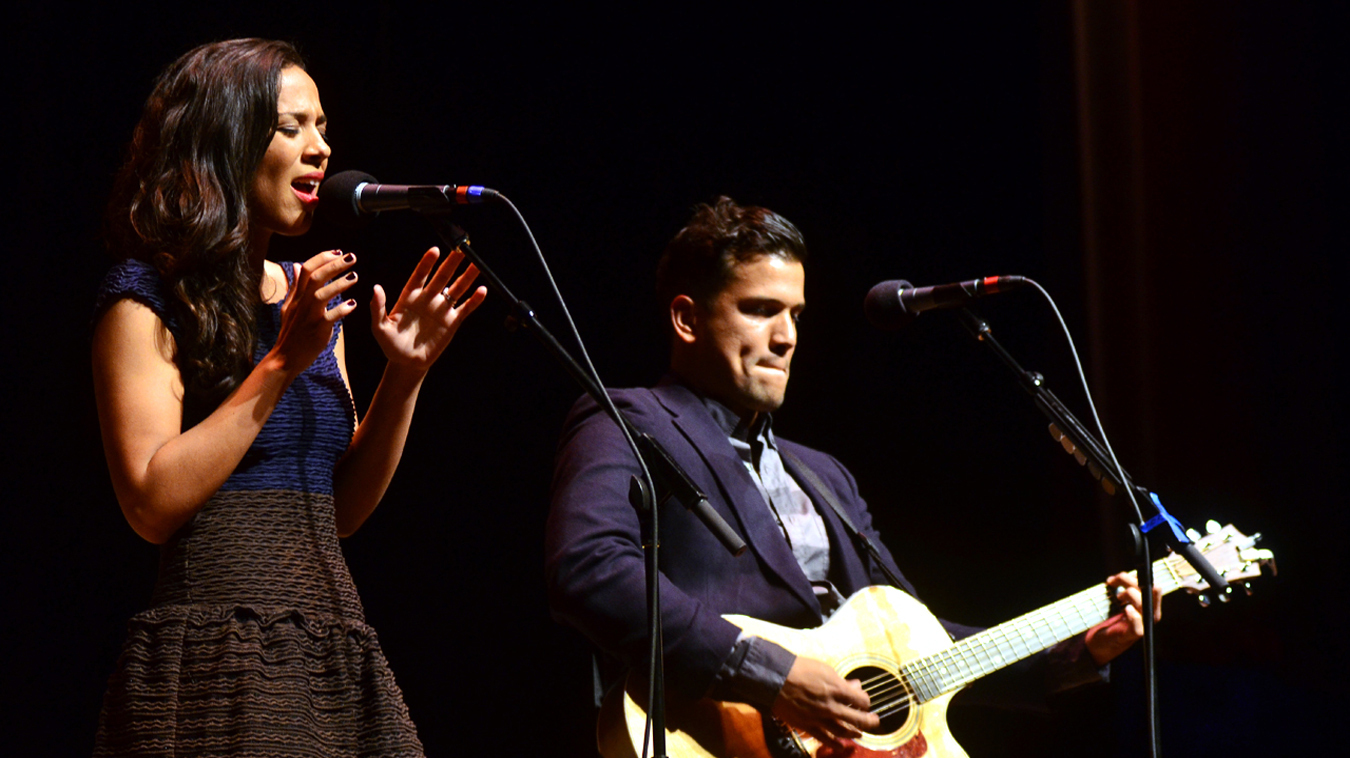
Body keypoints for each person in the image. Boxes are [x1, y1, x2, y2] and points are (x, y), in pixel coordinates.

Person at [545, 196, 1160, 750]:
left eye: (795, 314)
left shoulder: (824, 475)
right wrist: (770, 674)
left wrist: (1079, 647)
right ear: (687, 318)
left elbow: (917, 651)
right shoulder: (626, 420)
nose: (786, 337)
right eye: (760, 310)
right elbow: (589, 568)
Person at [91, 39, 486, 756]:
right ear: (226, 139)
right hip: (217, 658)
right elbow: (149, 502)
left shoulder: (305, 295)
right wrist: (279, 363)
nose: (320, 148)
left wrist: (404, 376)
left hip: (328, 649)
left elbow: (338, 513)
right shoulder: (145, 299)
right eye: (291, 126)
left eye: (324, 126)